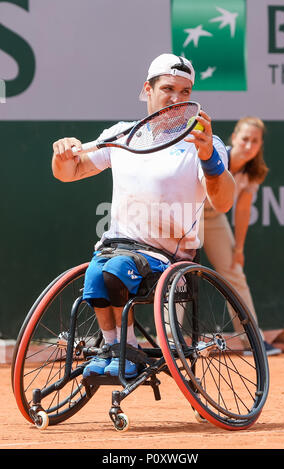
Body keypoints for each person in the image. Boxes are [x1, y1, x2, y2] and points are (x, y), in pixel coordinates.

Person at [51, 53, 235, 378]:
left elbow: (222, 201)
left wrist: (209, 158)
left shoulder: (205, 144)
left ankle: (128, 354)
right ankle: (114, 348)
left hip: (170, 257)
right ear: (147, 89)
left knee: (114, 273)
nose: (176, 99)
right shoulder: (121, 134)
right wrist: (62, 154)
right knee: (96, 278)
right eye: (168, 89)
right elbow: (69, 172)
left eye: (185, 92)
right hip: (117, 247)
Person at [203, 116, 281, 355]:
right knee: (179, 274)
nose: (249, 145)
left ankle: (252, 341)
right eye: (245, 139)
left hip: (215, 219)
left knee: (234, 273)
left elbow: (243, 211)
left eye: (255, 141)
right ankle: (173, 345)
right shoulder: (218, 157)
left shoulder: (253, 172)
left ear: (260, 145)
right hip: (189, 214)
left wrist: (239, 249)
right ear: (234, 138)